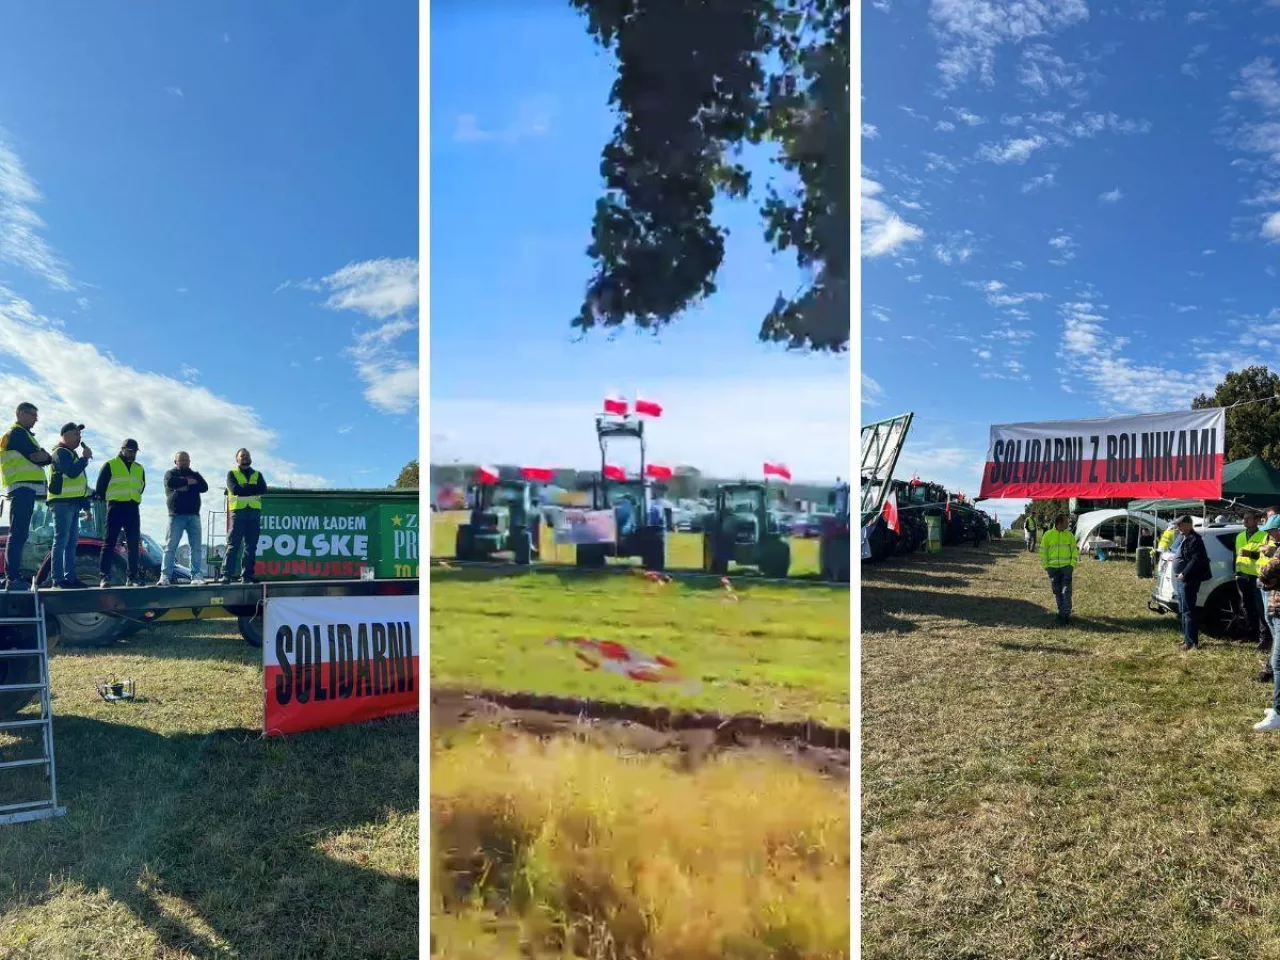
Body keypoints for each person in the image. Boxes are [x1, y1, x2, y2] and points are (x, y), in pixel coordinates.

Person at [0, 402, 52, 590]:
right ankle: (12, 577)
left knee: (20, 534)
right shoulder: (18, 433)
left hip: (25, 489)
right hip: (22, 488)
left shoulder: (23, 434)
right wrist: (47, 457)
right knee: (18, 533)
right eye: (33, 415)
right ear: (21, 413)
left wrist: (44, 455)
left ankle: (14, 575)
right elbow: (38, 457)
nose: (36, 419)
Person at [47, 423, 93, 589]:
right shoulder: (60, 453)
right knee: (61, 541)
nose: (79, 438)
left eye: (80, 435)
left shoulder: (71, 454)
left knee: (71, 542)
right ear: (65, 435)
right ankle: (58, 580)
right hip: (61, 504)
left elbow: (80, 486)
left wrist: (87, 508)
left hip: (73, 504)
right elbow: (71, 472)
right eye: (75, 434)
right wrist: (85, 458)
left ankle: (70, 578)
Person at [94, 439, 145, 587]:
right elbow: (100, 489)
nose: (133, 453)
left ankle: (132, 578)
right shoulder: (110, 465)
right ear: (122, 449)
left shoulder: (139, 468)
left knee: (134, 544)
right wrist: (114, 498)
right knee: (109, 543)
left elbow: (141, 487)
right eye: (130, 450)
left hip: (132, 508)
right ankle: (104, 577)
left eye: (135, 451)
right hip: (115, 507)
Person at [161, 451, 208, 586]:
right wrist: (189, 483)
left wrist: (183, 487)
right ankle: (165, 576)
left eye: (187, 460)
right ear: (175, 462)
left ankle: (196, 576)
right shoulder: (170, 474)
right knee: (170, 546)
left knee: (196, 547)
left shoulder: (195, 474)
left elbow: (204, 487)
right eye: (182, 460)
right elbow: (171, 483)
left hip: (193, 516)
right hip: (176, 516)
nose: (185, 463)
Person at [221, 448, 266, 584]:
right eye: (242, 456)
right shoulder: (232, 474)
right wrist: (252, 489)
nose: (245, 458)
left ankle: (247, 576)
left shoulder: (257, 474)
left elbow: (263, 489)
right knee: (233, 545)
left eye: (247, 455)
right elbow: (235, 490)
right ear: (237, 459)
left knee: (251, 546)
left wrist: (244, 488)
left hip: (253, 513)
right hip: (238, 513)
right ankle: (226, 575)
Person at [1253, 514, 1280, 731]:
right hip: (1274, 606)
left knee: (1278, 662)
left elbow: (1267, 572)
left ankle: (1278, 711)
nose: (1270, 535)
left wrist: (1266, 573)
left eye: (1272, 531)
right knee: (1276, 659)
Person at [1172, 514, 1211, 650]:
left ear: (1189, 524)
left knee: (1189, 611)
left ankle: (1191, 642)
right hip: (1183, 579)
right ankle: (1186, 639)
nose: (1178, 528)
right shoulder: (1185, 538)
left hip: (1190, 579)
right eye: (1177, 525)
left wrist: (1184, 573)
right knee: (1183, 610)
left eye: (1180, 525)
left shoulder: (1195, 539)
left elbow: (1196, 559)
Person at [1235, 511, 1271, 650]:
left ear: (1257, 520)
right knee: (1246, 607)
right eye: (1244, 519)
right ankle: (1250, 634)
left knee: (1260, 608)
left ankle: (1264, 639)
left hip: (1257, 576)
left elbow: (1266, 555)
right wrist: (1236, 573)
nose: (1245, 521)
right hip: (1242, 576)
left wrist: (1250, 554)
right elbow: (1236, 556)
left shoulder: (1264, 535)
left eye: (1249, 519)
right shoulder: (1239, 536)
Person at [1040, 514, 1078, 625]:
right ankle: (1061, 613)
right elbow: (1043, 552)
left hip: (1066, 568)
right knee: (1057, 592)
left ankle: (1066, 616)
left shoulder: (1070, 535)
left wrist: (1071, 565)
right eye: (1066, 521)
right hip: (1052, 569)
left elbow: (1074, 551)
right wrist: (1047, 567)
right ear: (1059, 523)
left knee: (1066, 592)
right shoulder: (1047, 535)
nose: (1068, 523)